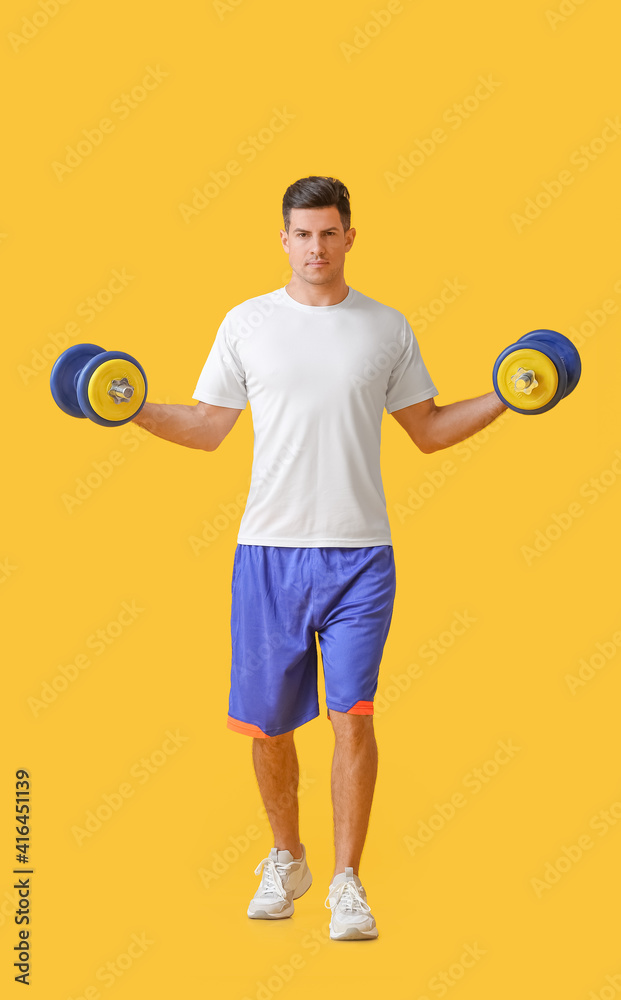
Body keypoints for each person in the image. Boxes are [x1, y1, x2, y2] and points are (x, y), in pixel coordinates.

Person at [132, 175, 508, 940]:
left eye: (328, 232)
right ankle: (286, 857)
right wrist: (126, 405)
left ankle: (345, 880)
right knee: (268, 728)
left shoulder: (385, 327)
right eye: (301, 234)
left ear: (349, 237)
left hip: (360, 557)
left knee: (352, 718)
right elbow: (206, 428)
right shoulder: (246, 323)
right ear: (283, 240)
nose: (315, 247)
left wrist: (511, 394)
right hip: (267, 554)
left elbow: (429, 429)